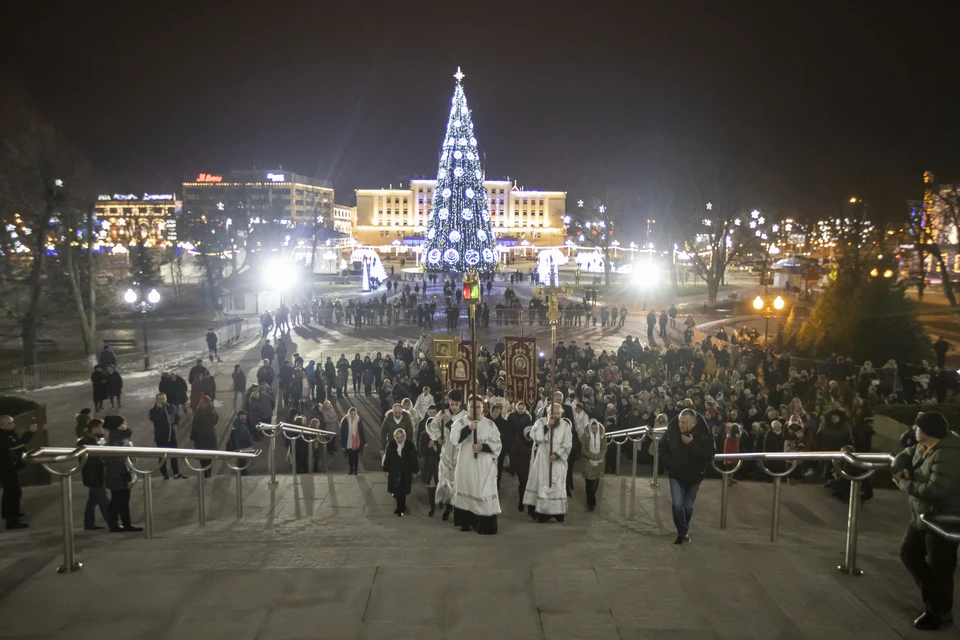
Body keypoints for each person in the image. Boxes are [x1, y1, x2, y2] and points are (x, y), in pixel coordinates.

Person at [892, 411, 960, 631]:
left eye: (917, 427)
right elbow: (909, 452)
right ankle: (935, 603)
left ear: (927, 432)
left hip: (943, 518)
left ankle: (939, 613)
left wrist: (904, 485)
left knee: (941, 566)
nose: (914, 429)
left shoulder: (949, 453)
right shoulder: (927, 446)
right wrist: (898, 464)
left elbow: (938, 490)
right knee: (909, 553)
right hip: (922, 515)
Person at [658, 408, 715, 544]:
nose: (681, 425)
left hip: (695, 476)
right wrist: (671, 464)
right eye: (680, 422)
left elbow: (709, 455)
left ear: (694, 423)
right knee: (677, 504)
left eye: (685, 422)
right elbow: (661, 448)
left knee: (688, 506)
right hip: (676, 474)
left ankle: (683, 531)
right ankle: (682, 532)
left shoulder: (704, 434)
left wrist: (691, 444)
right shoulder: (672, 430)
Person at [451, 396, 502, 534]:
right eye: (472, 407)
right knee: (467, 489)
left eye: (478, 407)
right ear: (467, 407)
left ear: (483, 408)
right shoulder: (459, 422)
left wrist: (482, 447)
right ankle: (466, 522)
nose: (475, 410)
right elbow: (454, 439)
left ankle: (484, 525)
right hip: (466, 465)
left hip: (483, 467)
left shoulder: (490, 425)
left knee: (483, 491)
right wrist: (468, 428)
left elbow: (498, 444)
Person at [523, 403, 573, 523]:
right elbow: (534, 435)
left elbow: (567, 444)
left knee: (557, 485)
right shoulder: (541, 422)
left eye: (557, 413)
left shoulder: (565, 426)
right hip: (543, 458)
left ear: (560, 414)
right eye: (552, 413)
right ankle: (542, 512)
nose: (554, 416)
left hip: (557, 461)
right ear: (548, 413)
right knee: (542, 483)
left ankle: (557, 512)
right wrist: (546, 427)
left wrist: (557, 454)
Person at [103, 416, 142, 532]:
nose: (126, 423)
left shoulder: (117, 437)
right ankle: (123, 524)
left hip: (116, 474)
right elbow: (119, 460)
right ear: (117, 425)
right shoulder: (118, 440)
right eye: (123, 422)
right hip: (119, 475)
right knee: (121, 501)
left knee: (117, 500)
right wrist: (127, 477)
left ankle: (117, 524)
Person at [0, 415, 37, 530]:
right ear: (2, 426)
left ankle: (11, 514)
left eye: (12, 422)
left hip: (9, 468)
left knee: (13, 492)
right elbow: (18, 445)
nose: (13, 425)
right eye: (9, 423)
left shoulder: (8, 434)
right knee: (12, 493)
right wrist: (30, 432)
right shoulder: (3, 436)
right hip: (7, 468)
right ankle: (12, 521)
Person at [78, 418, 110, 530]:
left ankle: (89, 524)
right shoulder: (91, 442)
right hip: (95, 475)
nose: (104, 430)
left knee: (92, 501)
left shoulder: (92, 439)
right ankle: (113, 524)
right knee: (104, 501)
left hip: (91, 476)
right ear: (95, 428)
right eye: (102, 427)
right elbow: (95, 461)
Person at [383, 427, 419, 516]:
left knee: (402, 491)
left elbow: (414, 459)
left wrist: (415, 470)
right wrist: (386, 469)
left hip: (405, 472)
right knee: (396, 490)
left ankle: (400, 508)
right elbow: (387, 458)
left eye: (401, 437)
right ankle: (400, 508)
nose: (399, 440)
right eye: (397, 438)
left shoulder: (409, 445)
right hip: (394, 472)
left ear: (404, 436)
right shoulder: (391, 445)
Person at [148, 393, 185, 480]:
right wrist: (160, 409)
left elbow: (177, 416)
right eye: (160, 399)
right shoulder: (153, 410)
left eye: (164, 398)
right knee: (162, 457)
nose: (162, 401)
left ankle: (176, 473)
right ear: (156, 400)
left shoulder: (171, 407)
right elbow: (154, 418)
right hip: (161, 437)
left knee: (174, 455)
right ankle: (164, 474)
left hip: (171, 436)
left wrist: (177, 423)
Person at [419, 412, 444, 516]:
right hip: (429, 466)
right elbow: (421, 451)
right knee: (431, 489)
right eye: (429, 425)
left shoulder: (440, 436)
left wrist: (437, 447)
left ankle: (442, 502)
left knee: (441, 486)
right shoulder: (424, 435)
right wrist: (428, 447)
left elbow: (444, 451)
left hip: (440, 465)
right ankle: (432, 508)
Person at [580, 419, 607, 511]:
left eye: (596, 428)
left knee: (596, 480)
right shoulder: (584, 436)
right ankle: (590, 501)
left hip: (599, 461)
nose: (594, 430)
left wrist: (598, 456)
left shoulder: (602, 436)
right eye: (593, 428)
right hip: (587, 461)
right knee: (589, 482)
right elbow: (582, 449)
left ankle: (592, 498)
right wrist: (592, 456)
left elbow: (604, 448)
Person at [190, 396, 219, 478]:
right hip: (211, 436)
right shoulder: (213, 411)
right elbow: (216, 421)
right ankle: (209, 472)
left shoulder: (199, 412)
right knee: (210, 455)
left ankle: (205, 472)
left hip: (201, 437)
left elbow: (194, 426)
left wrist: (192, 437)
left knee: (202, 456)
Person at [339, 407, 366, 475]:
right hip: (348, 441)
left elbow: (361, 431)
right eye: (352, 414)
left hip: (357, 440)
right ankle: (351, 469)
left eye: (354, 414)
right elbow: (342, 432)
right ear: (349, 413)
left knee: (356, 456)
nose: (353, 415)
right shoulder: (345, 420)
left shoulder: (358, 420)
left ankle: (356, 470)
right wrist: (342, 443)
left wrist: (364, 441)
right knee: (350, 456)